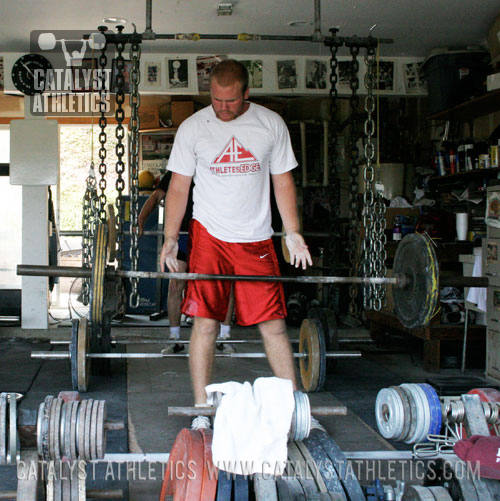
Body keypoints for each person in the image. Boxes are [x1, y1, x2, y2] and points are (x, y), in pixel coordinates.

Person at [159, 59, 312, 430]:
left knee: (273, 325)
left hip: (256, 238)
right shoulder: (193, 128)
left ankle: (293, 409)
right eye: (216, 100)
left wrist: (292, 231)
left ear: (246, 93)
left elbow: (283, 182)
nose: (222, 108)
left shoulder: (269, 124)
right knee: (206, 323)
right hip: (209, 237)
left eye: (230, 101)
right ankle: (202, 409)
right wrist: (169, 240)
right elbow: (179, 186)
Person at [138, 172, 234, 353]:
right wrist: (140, 221)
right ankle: (175, 339)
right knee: (175, 285)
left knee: (223, 284)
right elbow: (156, 196)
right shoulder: (176, 170)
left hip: (212, 235)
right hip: (182, 237)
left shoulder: (215, 168)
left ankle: (225, 337)